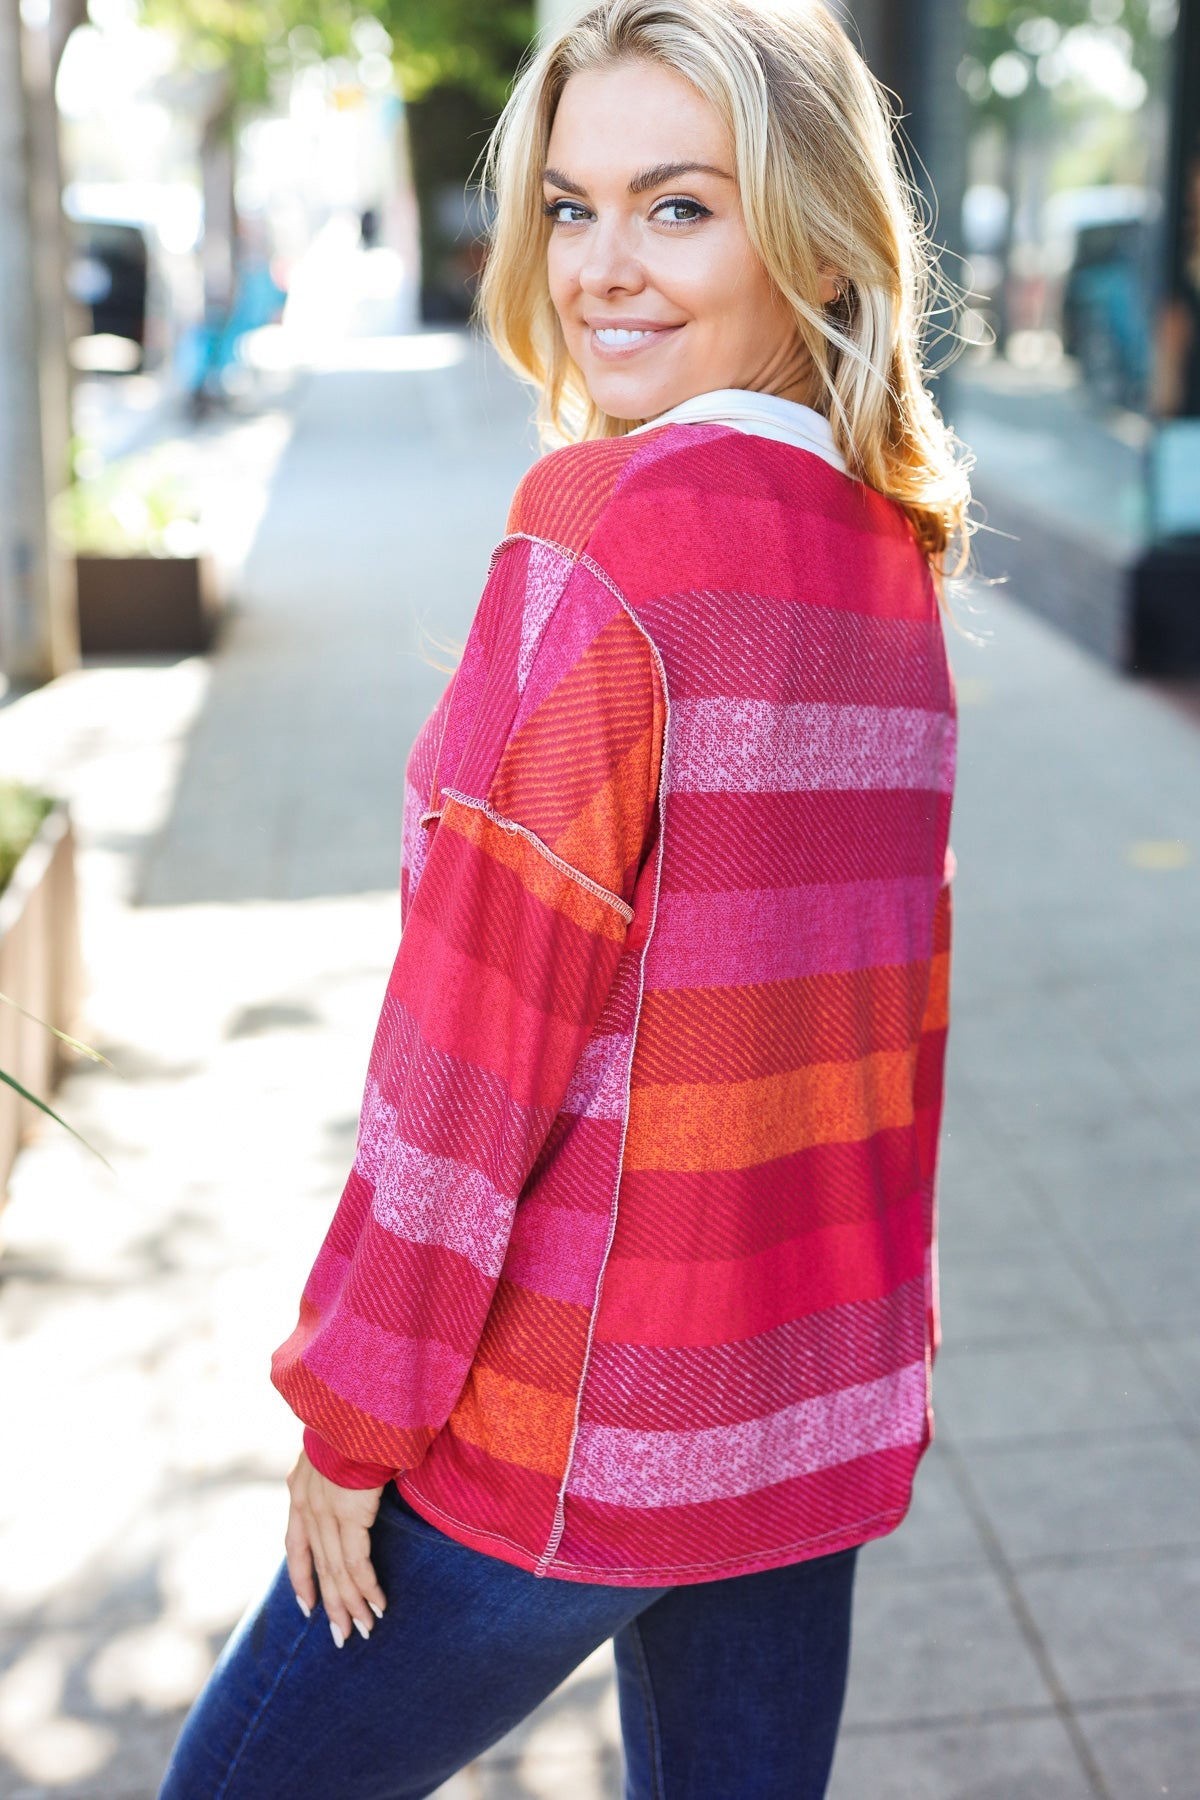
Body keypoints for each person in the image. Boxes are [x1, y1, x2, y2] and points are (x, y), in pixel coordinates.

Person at [158, 2, 969, 1794]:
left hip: (571, 1417)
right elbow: (878, 1032)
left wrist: (349, 1413)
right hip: (796, 1405)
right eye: (570, 205)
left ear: (817, 231)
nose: (604, 267)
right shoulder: (889, 559)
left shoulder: (602, 532)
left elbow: (474, 1032)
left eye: (678, 208)